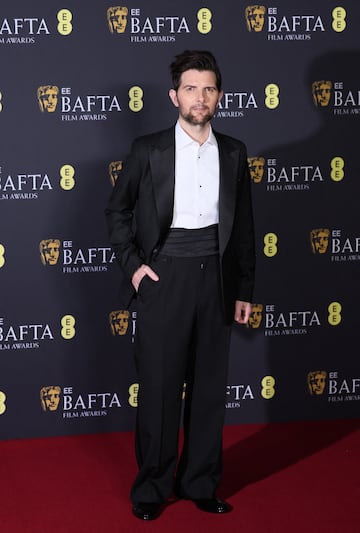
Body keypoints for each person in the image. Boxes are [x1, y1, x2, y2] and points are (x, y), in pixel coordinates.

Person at [106, 50, 256, 520]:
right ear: (175, 95)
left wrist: (245, 290)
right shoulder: (147, 149)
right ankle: (151, 488)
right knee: (160, 389)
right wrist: (134, 267)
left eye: (208, 88)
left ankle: (200, 483)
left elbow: (246, 227)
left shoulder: (233, 152)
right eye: (190, 88)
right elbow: (117, 211)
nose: (200, 97)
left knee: (210, 389)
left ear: (219, 96)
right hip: (163, 276)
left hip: (215, 278)